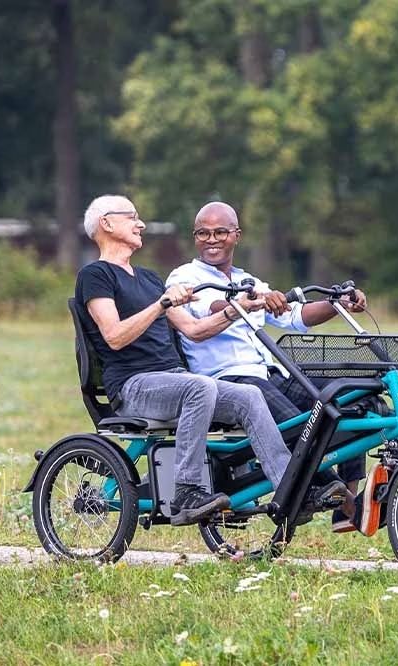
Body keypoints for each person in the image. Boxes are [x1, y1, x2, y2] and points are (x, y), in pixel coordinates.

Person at [75, 194, 292, 527]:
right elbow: (114, 336)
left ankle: (289, 489)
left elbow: (193, 329)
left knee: (249, 396)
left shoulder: (149, 279)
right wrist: (161, 304)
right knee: (199, 387)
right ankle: (187, 492)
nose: (140, 224)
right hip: (134, 386)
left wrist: (239, 309)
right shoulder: (96, 275)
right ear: (106, 223)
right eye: (131, 217)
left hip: (173, 379)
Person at [166, 202, 375, 533]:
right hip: (228, 381)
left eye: (220, 232)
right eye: (203, 233)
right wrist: (252, 302)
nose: (211, 239)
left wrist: (337, 303)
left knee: (347, 394)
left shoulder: (247, 279)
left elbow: (295, 316)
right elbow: (211, 306)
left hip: (269, 373)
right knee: (303, 425)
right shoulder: (184, 277)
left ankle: (348, 499)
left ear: (236, 235)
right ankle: (347, 504)